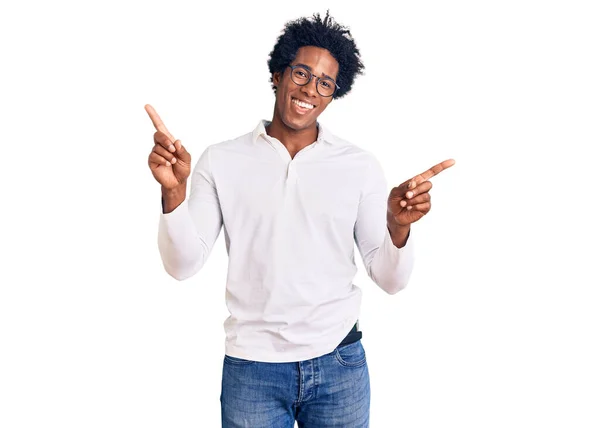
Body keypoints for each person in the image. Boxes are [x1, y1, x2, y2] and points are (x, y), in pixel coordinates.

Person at [145, 11, 454, 428]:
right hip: (252, 367)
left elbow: (391, 280)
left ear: (333, 94)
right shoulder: (221, 160)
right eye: (302, 73)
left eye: (325, 83)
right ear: (278, 74)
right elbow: (181, 266)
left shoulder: (358, 166)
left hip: (338, 362)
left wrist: (399, 227)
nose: (311, 88)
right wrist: (173, 192)